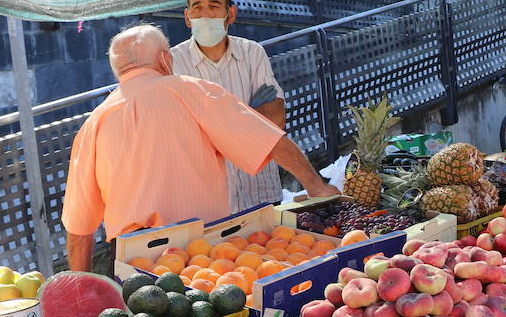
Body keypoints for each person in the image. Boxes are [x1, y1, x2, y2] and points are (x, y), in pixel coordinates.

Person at [61, 25, 337, 271]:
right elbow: (268, 139)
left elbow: (78, 228)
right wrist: (317, 187)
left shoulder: (93, 123)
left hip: (131, 261)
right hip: (198, 252)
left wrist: (81, 286)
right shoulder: (190, 90)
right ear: (165, 59)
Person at [171, 0, 287, 211]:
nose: (205, 15)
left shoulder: (253, 52)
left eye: (214, 6)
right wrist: (250, 116)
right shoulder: (172, 63)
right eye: (197, 8)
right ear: (187, 17)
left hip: (259, 190)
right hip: (208, 203)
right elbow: (181, 136)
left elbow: (275, 118)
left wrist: (214, 130)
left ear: (230, 14)